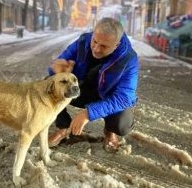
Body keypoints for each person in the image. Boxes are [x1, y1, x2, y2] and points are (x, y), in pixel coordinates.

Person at [47, 17, 139, 152]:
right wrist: (59, 72)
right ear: (93, 34)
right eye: (95, 41)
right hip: (81, 91)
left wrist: (88, 114)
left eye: (104, 46)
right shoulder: (83, 42)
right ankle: (63, 127)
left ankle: (110, 131)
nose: (96, 49)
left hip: (106, 97)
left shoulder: (129, 59)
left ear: (117, 45)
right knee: (48, 85)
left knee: (122, 124)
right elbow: (59, 63)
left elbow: (124, 98)